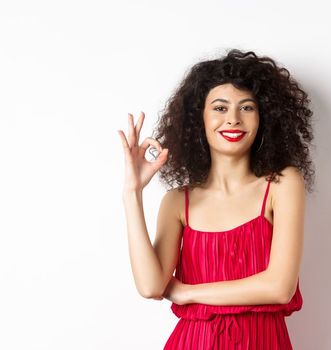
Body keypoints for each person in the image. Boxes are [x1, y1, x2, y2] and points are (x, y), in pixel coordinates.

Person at [117, 49, 315, 349]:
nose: (233, 119)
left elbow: (279, 288)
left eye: (247, 108)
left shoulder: (282, 185)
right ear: (200, 118)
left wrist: (189, 293)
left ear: (264, 118)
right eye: (220, 108)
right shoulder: (177, 202)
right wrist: (132, 192)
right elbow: (150, 285)